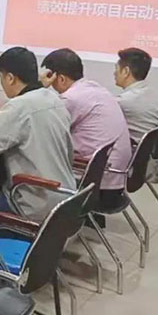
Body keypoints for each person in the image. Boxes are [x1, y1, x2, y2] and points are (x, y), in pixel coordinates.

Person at [0, 47, 75, 232]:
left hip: (37, 203)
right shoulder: (54, 99)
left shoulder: (21, 105)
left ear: (10, 78)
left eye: (1, 77)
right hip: (65, 199)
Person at [41, 48, 132, 209]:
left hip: (96, 185)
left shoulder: (71, 99)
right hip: (114, 178)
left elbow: (40, 128)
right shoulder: (95, 89)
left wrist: (41, 88)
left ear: (60, 78)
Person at [114, 48, 158, 182]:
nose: (114, 73)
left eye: (116, 69)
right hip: (145, 160)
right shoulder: (153, 94)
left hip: (129, 160)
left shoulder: (124, 102)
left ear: (126, 71)